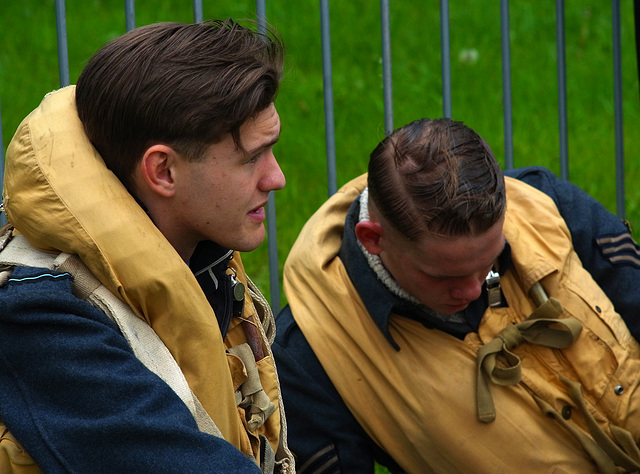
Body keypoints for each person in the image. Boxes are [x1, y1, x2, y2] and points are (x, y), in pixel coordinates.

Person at [0, 19, 294, 473]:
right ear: (163, 172)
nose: (277, 179)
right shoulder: (42, 316)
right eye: (251, 158)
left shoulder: (200, 251)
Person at [272, 117, 640, 473]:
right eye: (444, 276)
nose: (473, 289)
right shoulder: (308, 357)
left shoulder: (543, 200)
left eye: (489, 261)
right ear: (373, 239)